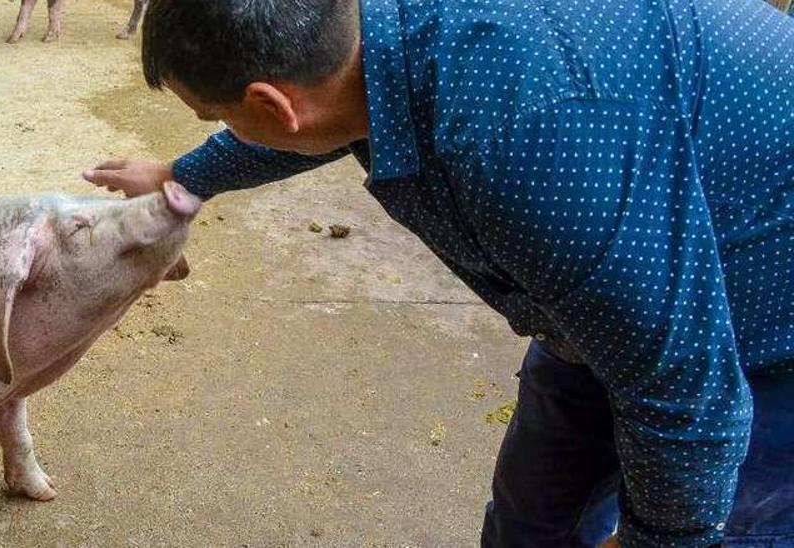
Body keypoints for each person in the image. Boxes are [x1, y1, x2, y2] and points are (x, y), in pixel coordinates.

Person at [81, 0, 794, 546]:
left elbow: (687, 401)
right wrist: (182, 173)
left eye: (219, 116)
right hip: (613, 297)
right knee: (532, 519)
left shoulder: (523, 142)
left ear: (273, 103)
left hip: (763, 322)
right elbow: (319, 122)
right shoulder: (369, 43)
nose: (223, 126)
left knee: (709, 519)